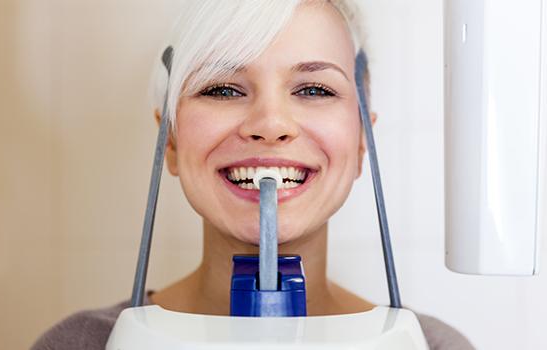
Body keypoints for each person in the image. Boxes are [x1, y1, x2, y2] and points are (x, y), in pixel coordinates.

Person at [32, 1, 475, 349]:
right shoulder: (81, 345)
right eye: (222, 88)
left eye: (314, 89)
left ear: (363, 144)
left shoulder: (435, 347)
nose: (269, 123)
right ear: (169, 140)